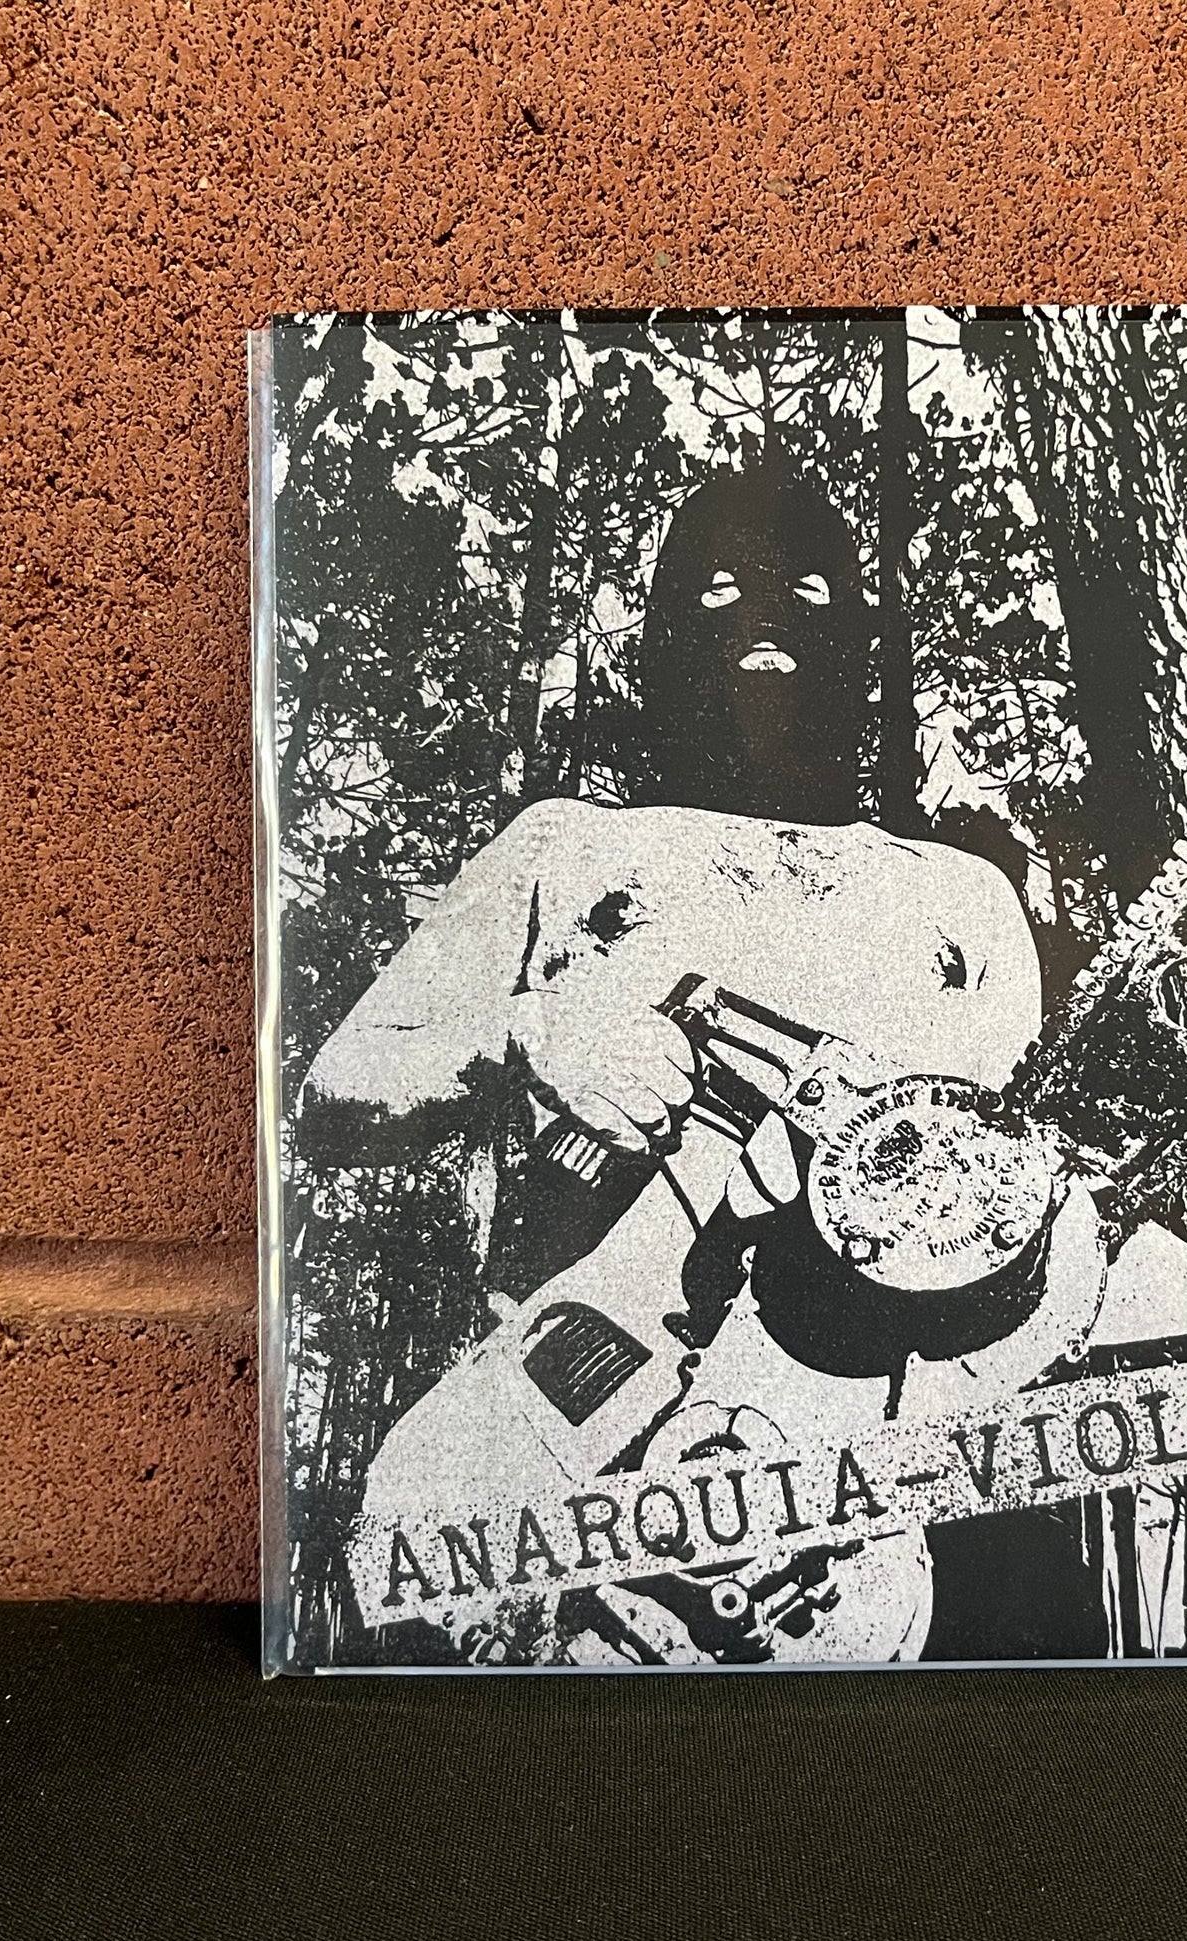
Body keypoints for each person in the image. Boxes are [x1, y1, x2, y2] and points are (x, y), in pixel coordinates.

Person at [302, 466, 1112, 1665]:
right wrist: (530, 1036)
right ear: (657, 645)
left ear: (863, 651)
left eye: (810, 591)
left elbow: (1030, 1210)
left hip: (866, 1483)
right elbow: (336, 1089)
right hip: (560, 1440)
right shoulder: (565, 845)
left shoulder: (965, 898)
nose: (764, 614)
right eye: (718, 590)